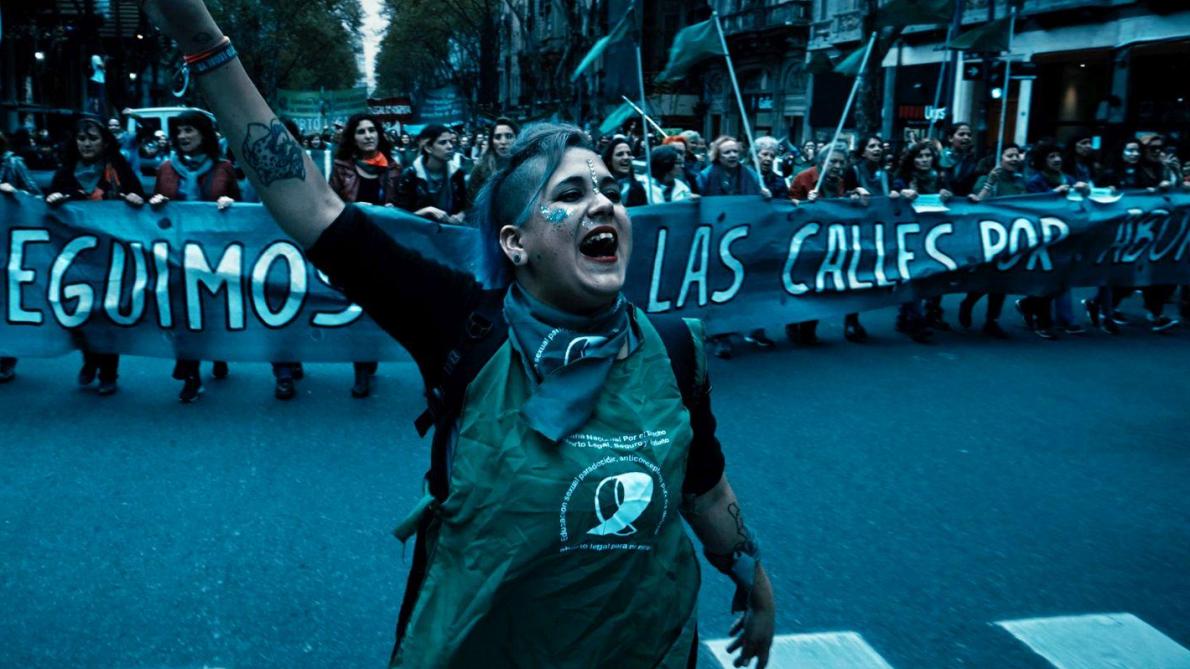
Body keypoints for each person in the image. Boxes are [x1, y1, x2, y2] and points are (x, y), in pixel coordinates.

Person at [139, 4, 775, 667]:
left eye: (611, 190)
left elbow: (704, 486)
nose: (605, 203)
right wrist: (200, 39)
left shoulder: (673, 351)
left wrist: (752, 576)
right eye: (571, 193)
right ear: (516, 243)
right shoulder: (462, 325)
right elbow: (314, 206)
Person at [45, 115, 146, 396]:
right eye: (82, 139)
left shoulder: (119, 169)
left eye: (92, 138)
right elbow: (48, 208)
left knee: (108, 315)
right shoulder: (65, 173)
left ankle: (108, 372)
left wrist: (135, 200)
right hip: (76, 259)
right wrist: (53, 200)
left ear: (104, 142)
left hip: (112, 258)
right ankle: (89, 360)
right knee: (81, 315)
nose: (86, 144)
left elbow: (138, 197)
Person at [148, 110, 241, 401]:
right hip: (176, 255)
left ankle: (216, 352)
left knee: (209, 310)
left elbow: (242, 208)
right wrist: (156, 203)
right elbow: (154, 215)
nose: (183, 136)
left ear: (204, 134)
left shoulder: (224, 168)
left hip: (213, 255)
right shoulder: (165, 168)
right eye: (179, 131)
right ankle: (190, 373)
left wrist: (229, 202)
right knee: (183, 313)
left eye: (189, 130)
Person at [329, 112, 403, 399]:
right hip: (352, 249)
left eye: (372, 130)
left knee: (379, 310)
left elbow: (407, 205)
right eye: (361, 131)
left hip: (385, 249)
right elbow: (329, 205)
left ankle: (370, 357)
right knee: (357, 310)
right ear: (353, 138)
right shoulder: (341, 168)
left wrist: (394, 209)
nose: (368, 135)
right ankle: (361, 369)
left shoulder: (394, 168)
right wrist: (352, 210)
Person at [786, 146, 866, 344]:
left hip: (834, 241)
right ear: (822, 162)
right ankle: (796, 324)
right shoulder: (803, 178)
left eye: (841, 162)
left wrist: (855, 196)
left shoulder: (845, 179)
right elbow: (787, 208)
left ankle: (811, 327)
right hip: (808, 241)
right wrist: (805, 203)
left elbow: (848, 203)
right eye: (833, 161)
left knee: (825, 283)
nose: (837, 166)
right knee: (806, 283)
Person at [1017, 139, 1089, 340]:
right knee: (1045, 278)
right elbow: (1032, 205)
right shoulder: (1035, 182)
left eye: (1058, 156)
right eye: (1051, 157)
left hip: (1066, 235)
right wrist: (1052, 194)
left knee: (1061, 278)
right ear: (1043, 160)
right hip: (1044, 237)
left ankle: (1029, 305)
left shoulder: (1069, 178)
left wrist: (1085, 191)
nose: (1057, 160)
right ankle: (1043, 321)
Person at [957, 143, 1027, 338]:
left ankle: (992, 320)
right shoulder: (987, 178)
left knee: (1002, 281)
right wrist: (989, 183)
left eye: (1017, 155)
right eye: (1009, 155)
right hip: (989, 237)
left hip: (1012, 237)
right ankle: (968, 303)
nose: (1014, 159)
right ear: (999, 158)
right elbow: (977, 202)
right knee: (985, 278)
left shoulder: (1019, 181)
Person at [891, 140, 954, 341]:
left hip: (934, 235)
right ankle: (916, 322)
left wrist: (947, 194)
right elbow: (891, 197)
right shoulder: (903, 178)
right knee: (913, 277)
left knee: (932, 275)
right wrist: (901, 194)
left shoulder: (941, 177)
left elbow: (952, 198)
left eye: (928, 156)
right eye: (920, 156)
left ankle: (906, 317)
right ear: (912, 159)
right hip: (910, 235)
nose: (924, 160)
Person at [0, 130, 44, 382]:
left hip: (8, 243)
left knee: (5, 301)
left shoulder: (13, 164)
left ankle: (6, 358)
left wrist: (14, 194)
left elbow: (36, 197)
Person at [396, 123, 469, 224]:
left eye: (451, 142)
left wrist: (461, 215)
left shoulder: (457, 173)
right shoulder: (410, 175)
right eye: (443, 142)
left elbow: (466, 205)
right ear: (428, 148)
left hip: (450, 230)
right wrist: (426, 211)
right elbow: (401, 215)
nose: (450, 146)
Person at [467, 117, 519, 203]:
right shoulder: (481, 168)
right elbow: (470, 201)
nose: (503, 142)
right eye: (498, 137)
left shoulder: (523, 164)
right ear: (491, 141)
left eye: (509, 136)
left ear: (517, 138)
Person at [698, 135, 764, 197]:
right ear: (718, 156)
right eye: (727, 152)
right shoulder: (706, 175)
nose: (733, 155)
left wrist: (765, 195)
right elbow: (696, 194)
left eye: (735, 151)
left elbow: (760, 192)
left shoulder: (750, 174)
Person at [602, 135, 648, 206]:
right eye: (620, 154)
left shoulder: (638, 188)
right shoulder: (600, 189)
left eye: (629, 154)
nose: (626, 157)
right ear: (609, 161)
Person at [940, 122, 979, 196]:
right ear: (950, 138)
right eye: (961, 134)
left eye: (969, 135)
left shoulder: (972, 162)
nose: (966, 137)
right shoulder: (940, 157)